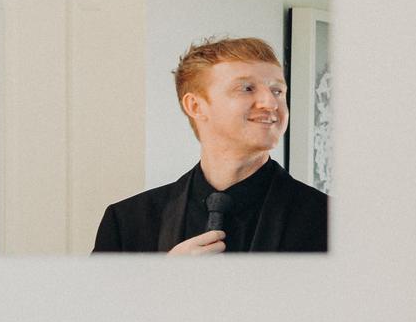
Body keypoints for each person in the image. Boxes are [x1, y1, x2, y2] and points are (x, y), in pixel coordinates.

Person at [95, 36, 328, 253]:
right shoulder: (127, 221)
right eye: (247, 88)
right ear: (195, 106)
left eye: (277, 90)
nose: (270, 102)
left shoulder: (332, 221)